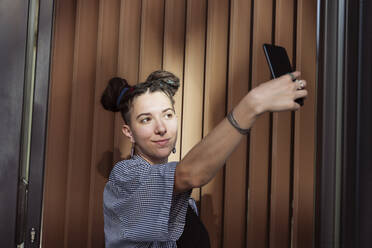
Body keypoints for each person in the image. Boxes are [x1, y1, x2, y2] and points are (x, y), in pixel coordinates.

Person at [101, 70, 307, 248]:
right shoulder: (124, 179)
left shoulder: (184, 201)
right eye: (146, 119)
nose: (162, 128)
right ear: (129, 132)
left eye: (168, 115)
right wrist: (253, 104)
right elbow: (190, 174)